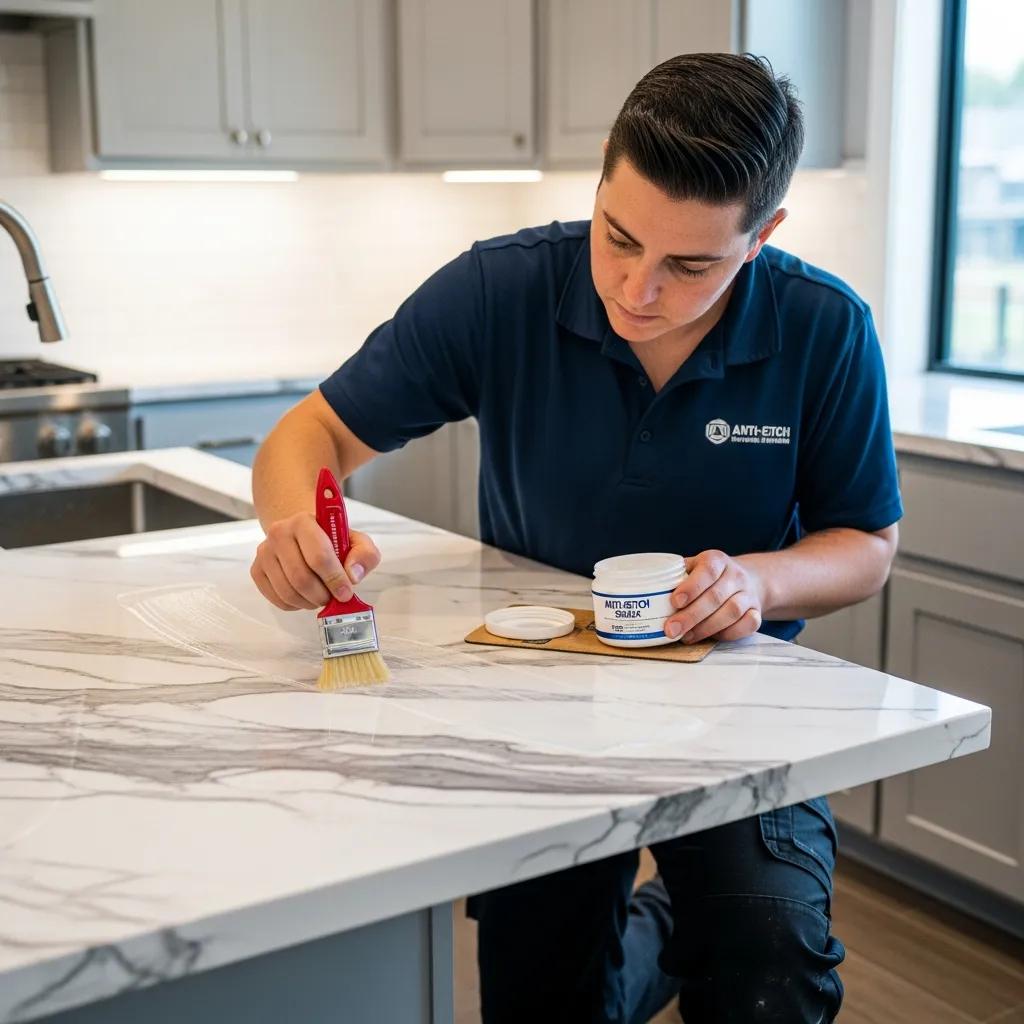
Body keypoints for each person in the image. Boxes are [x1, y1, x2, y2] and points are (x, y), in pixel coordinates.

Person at [250, 52, 902, 1024]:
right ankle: (670, 923)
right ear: (601, 172)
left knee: (766, 966)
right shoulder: (498, 289)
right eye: (618, 237)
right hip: (537, 700)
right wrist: (296, 527)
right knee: (545, 1001)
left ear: (762, 235)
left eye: (690, 265)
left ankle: (694, 916)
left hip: (739, 703)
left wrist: (758, 583)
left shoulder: (826, 328)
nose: (637, 288)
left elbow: (866, 543)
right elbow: (313, 433)